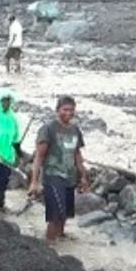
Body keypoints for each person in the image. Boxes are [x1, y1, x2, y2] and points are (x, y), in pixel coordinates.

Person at [28, 96, 89, 243]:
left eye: (71, 110)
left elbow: (77, 154)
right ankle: (49, 244)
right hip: (52, 176)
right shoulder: (48, 129)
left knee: (66, 213)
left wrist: (83, 177)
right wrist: (34, 182)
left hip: (70, 176)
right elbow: (39, 156)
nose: (68, 113)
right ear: (57, 110)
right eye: (65, 109)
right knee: (55, 214)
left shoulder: (75, 130)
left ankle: (60, 237)